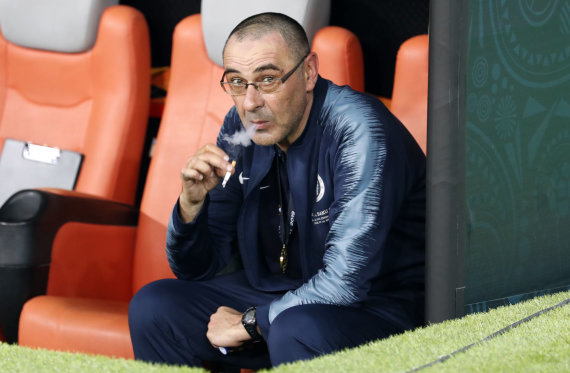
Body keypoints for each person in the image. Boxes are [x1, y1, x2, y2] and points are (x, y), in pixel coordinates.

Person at [128, 12, 426, 370]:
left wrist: (251, 322)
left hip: (378, 309)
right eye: (237, 82)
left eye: (268, 79)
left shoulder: (359, 129)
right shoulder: (241, 128)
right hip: (280, 296)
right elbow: (198, 269)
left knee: (293, 329)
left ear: (308, 72)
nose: (250, 102)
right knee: (156, 308)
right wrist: (191, 207)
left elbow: (346, 284)